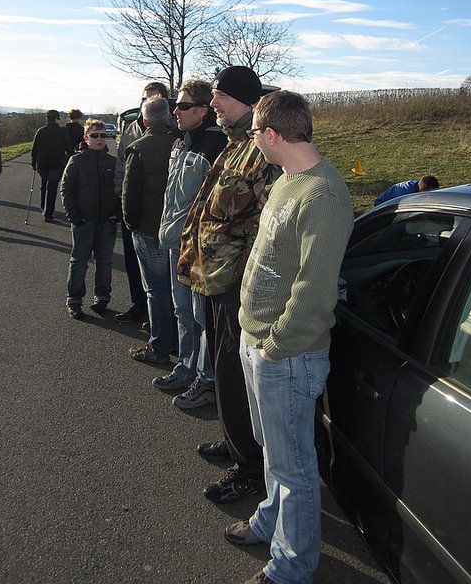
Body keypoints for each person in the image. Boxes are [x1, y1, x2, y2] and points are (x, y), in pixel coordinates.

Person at [224, 90, 354, 584]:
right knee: (271, 451)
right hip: (255, 339)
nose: (253, 141)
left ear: (273, 135)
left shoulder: (323, 194)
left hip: (286, 354)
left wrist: (275, 345)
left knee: (293, 467)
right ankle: (270, 520)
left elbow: (314, 292)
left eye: (256, 132)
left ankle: (292, 566)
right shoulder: (286, 182)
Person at [177, 66, 280, 504]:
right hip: (216, 278)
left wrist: (242, 275)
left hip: (238, 282)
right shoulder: (235, 144)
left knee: (237, 376)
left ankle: (250, 470)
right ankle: (234, 441)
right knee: (223, 368)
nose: (212, 104)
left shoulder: (262, 149)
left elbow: (267, 222)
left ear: (244, 100)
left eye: (220, 96)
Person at [155, 79, 227, 408]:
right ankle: (185, 366)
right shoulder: (181, 142)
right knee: (182, 310)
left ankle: (207, 379)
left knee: (201, 317)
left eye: (183, 106)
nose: (175, 111)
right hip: (175, 242)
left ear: (202, 110)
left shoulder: (217, 146)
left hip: (199, 249)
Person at [122, 98, 175, 363]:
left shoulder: (138, 148)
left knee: (156, 290)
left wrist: (131, 224)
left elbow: (130, 194)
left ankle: (160, 345)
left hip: (148, 228)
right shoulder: (180, 144)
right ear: (168, 118)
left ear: (144, 122)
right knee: (176, 291)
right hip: (175, 229)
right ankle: (174, 338)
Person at [113, 81, 169, 324]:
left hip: (157, 214)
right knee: (133, 264)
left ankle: (159, 320)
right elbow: (120, 166)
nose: (149, 100)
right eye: (146, 97)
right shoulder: (130, 129)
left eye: (155, 96)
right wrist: (120, 194)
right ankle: (139, 305)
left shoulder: (171, 130)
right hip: (131, 205)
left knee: (159, 277)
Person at [59, 119, 119, 320]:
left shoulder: (112, 162)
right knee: (79, 262)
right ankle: (74, 300)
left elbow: (120, 190)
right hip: (84, 221)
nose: (100, 139)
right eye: (95, 135)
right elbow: (66, 189)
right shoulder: (76, 161)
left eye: (102, 135)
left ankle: (102, 298)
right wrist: (74, 216)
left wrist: (116, 213)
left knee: (105, 262)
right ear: (86, 138)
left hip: (106, 222)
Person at [31, 109, 72, 222]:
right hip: (57, 163)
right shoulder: (62, 132)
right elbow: (68, 148)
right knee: (52, 187)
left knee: (44, 185)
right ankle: (48, 213)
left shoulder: (41, 131)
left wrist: (33, 162)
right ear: (57, 119)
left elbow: (34, 149)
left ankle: (43, 207)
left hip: (42, 163)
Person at [374, 174, 440, 206]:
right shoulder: (404, 195)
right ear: (421, 189)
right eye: (429, 195)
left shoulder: (420, 185)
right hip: (383, 208)